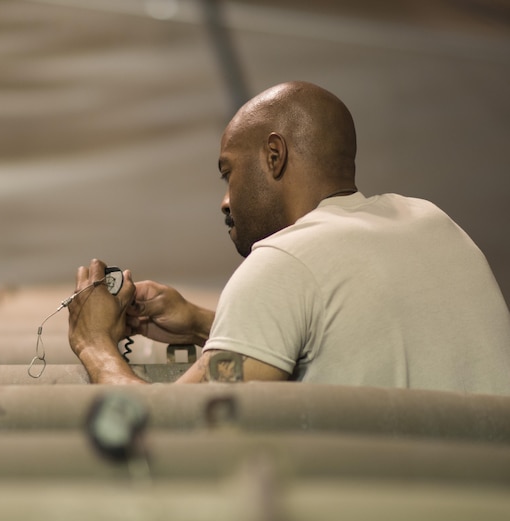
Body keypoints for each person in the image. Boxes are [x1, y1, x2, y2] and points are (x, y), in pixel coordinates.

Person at [67, 81, 510, 394]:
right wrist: (204, 322)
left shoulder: (282, 260)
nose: (225, 201)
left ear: (274, 156)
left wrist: (95, 344)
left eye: (229, 174)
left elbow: (170, 435)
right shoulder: (431, 221)